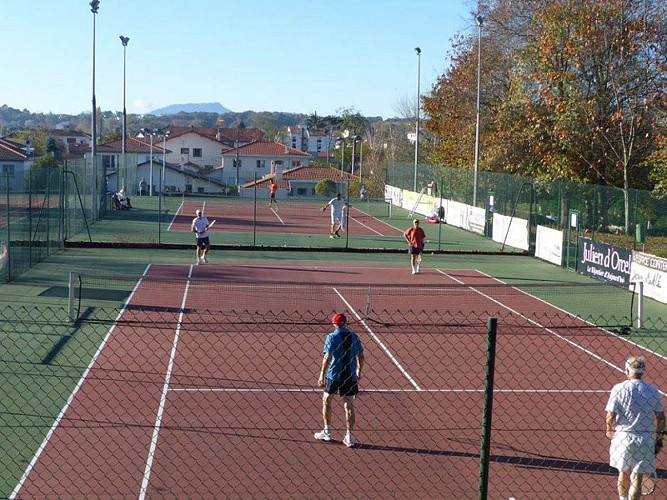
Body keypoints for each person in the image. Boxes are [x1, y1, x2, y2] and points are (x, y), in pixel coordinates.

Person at [605, 355, 665, 500]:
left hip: (623, 438)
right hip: (644, 439)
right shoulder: (653, 390)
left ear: (627, 371)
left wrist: (609, 430)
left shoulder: (618, 389)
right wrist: (659, 438)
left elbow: (610, 415)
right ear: (643, 372)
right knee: (637, 478)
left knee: (623, 473)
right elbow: (661, 418)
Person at [315, 312, 365, 448]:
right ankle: (349, 436)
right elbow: (361, 356)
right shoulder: (354, 336)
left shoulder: (331, 337)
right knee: (348, 405)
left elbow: (327, 357)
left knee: (327, 400)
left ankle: (327, 430)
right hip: (349, 376)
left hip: (333, 375)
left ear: (334, 324)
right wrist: (358, 372)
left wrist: (321, 376)